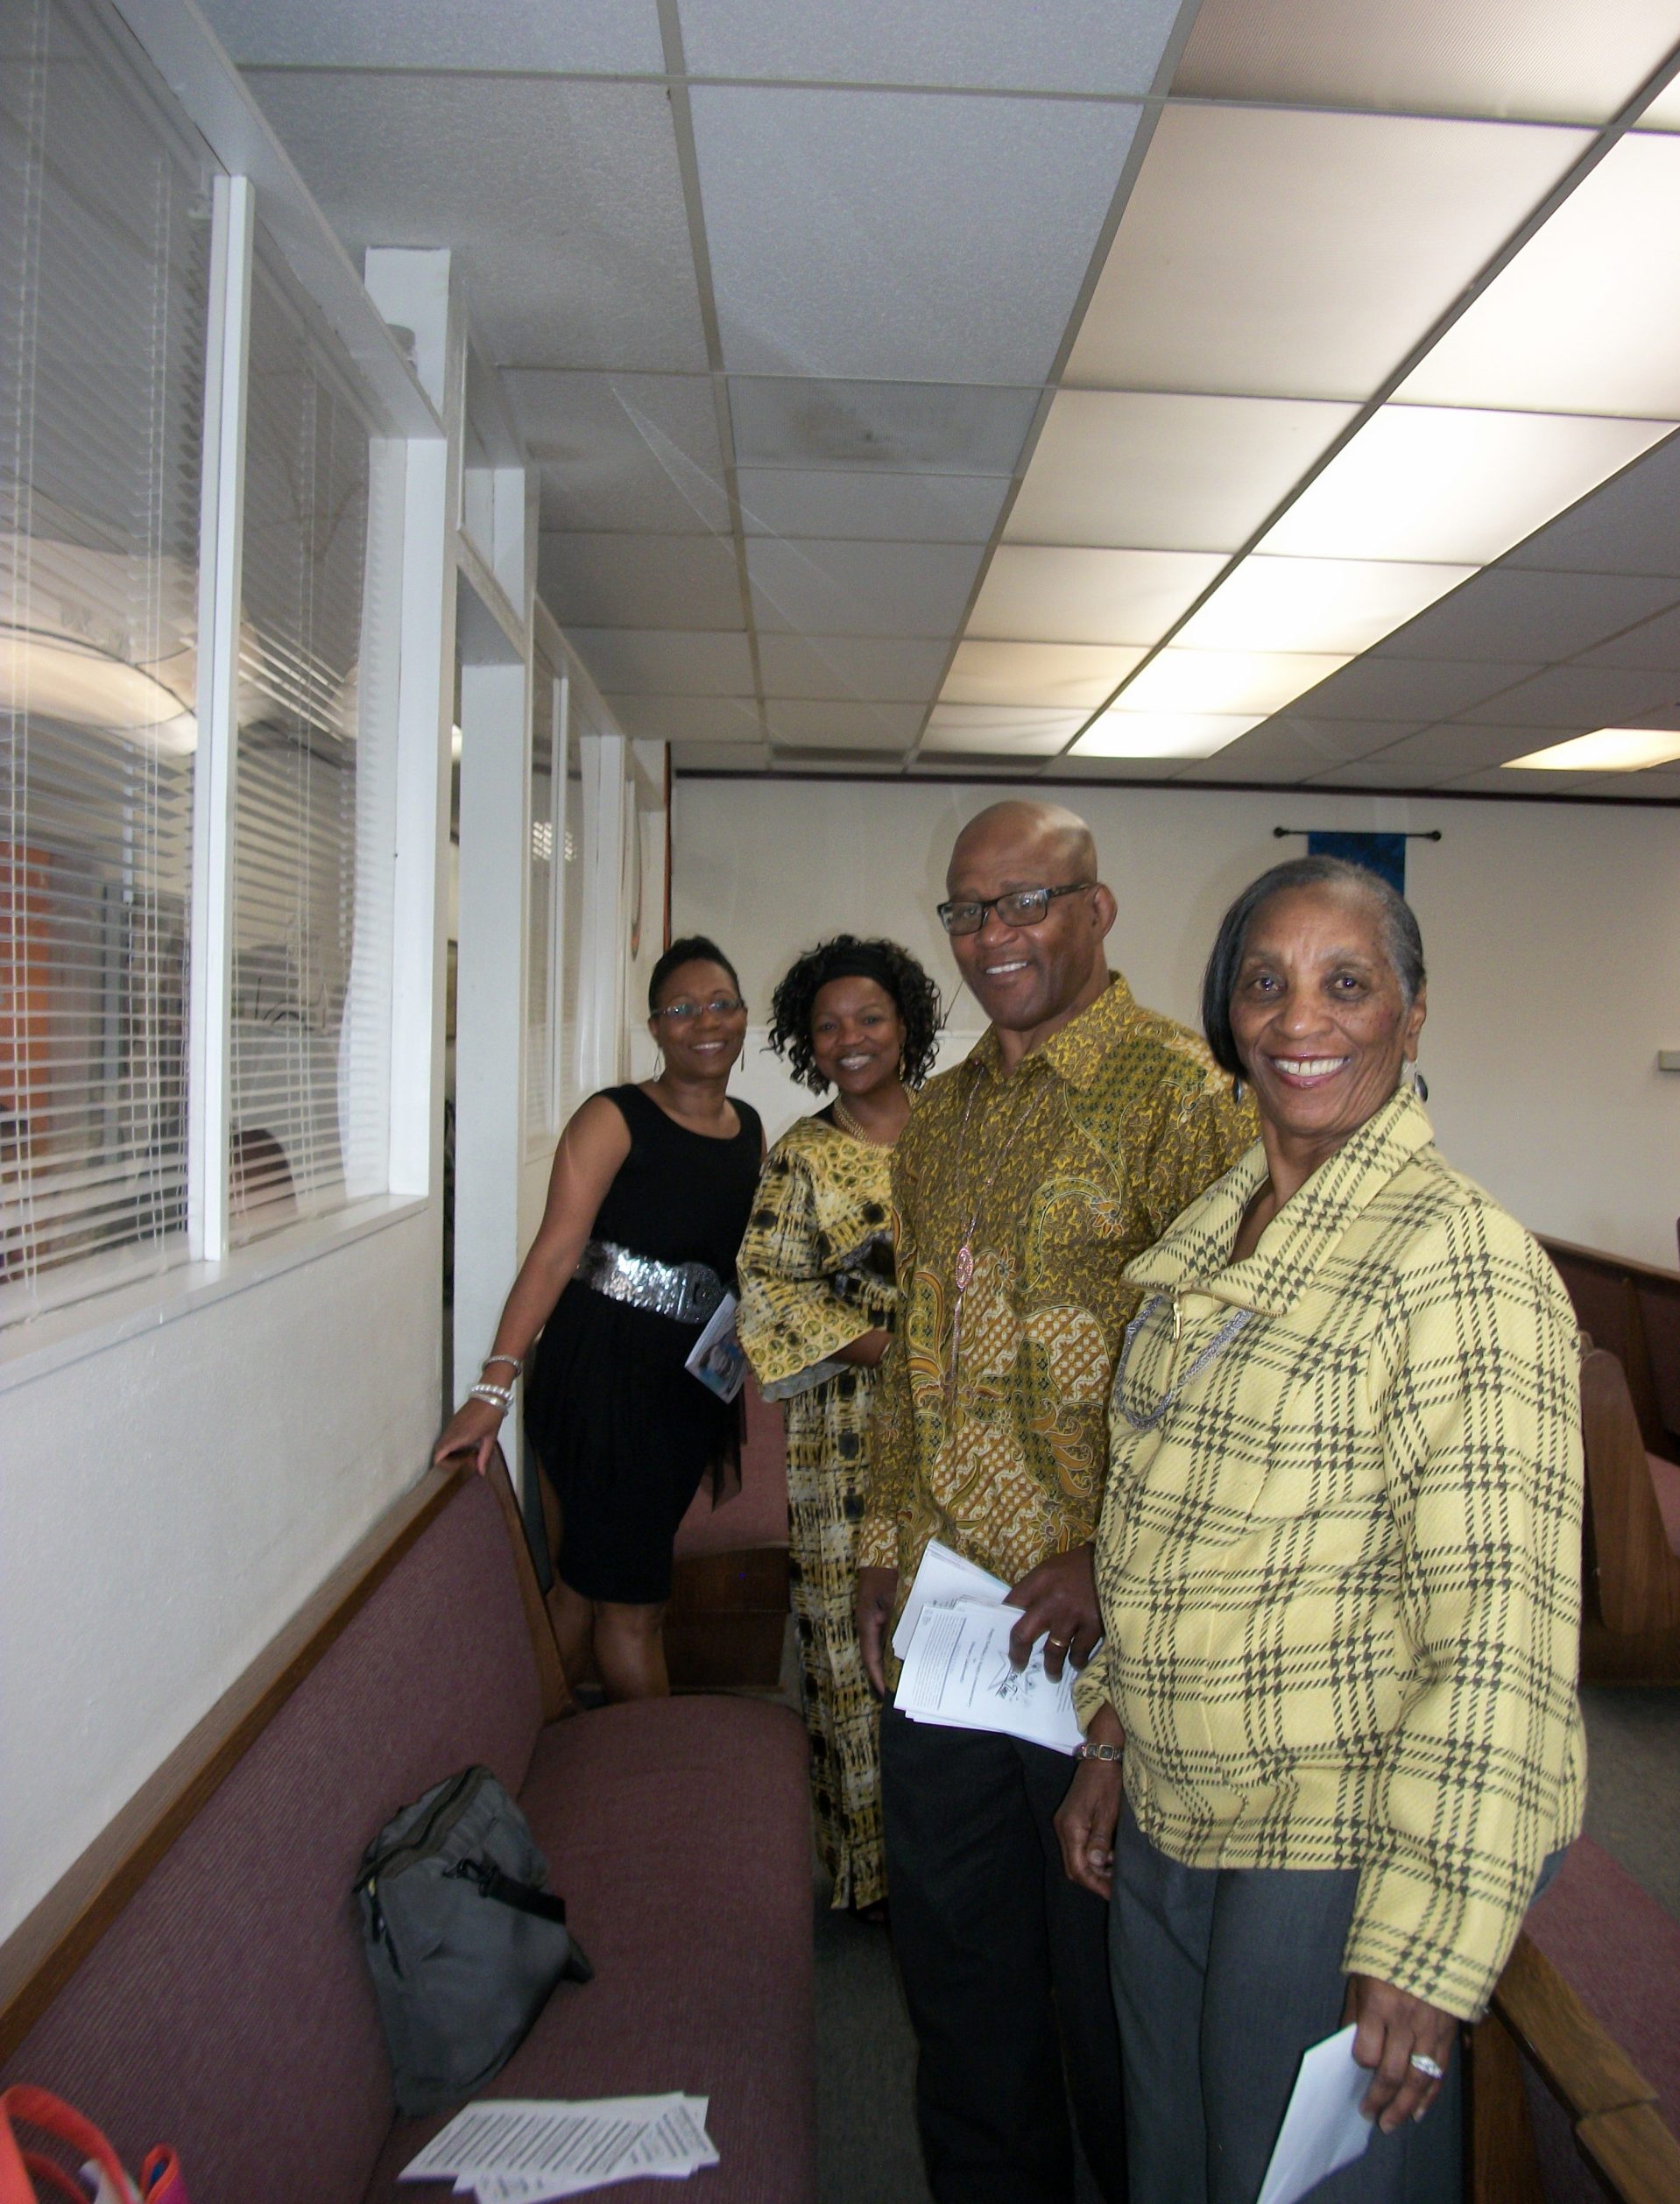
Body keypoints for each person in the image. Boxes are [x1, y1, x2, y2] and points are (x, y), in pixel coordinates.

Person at [1055, 856, 1585, 2204]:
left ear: (1412, 1014)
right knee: (1177, 2170)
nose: (1301, 1020)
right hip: (1177, 1809)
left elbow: (1502, 1633)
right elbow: (1167, 1535)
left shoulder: (1458, 1264)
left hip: (1335, 1841)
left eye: (1346, 984)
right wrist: (1114, 1726)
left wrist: (1425, 1938)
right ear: (1229, 1015)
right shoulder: (1213, 1243)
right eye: (1265, 983)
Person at [855, 800, 1255, 2204]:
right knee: (961, 1990)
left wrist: (1107, 1557)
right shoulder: (940, 1117)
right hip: (953, 1641)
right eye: (967, 909)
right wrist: (881, 1548)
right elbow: (914, 1358)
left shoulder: (1188, 1101)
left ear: (1097, 909)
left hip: (1103, 1658)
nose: (992, 936)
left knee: (1110, 2012)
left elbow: (1225, 1382)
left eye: (1026, 901)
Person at [433, 936, 764, 1702]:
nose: (705, 1022)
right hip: (603, 1379)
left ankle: (543, 1736)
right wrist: (493, 1388)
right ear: (655, 1028)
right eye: (682, 1009)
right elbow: (554, 1255)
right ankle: (659, 1765)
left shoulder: (747, 1128)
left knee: (584, 1587)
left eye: (721, 1004)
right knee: (633, 1608)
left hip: (688, 1387)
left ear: (744, 1016)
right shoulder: (614, 1118)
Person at [737, 936, 943, 1916]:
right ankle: (874, 1875)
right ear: (806, 1043)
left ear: (907, 1025)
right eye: (827, 1027)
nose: (850, 1039)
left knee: (952, 1623)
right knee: (846, 1644)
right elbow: (768, 1291)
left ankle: (961, 1859)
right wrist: (892, 1348)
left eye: (869, 1018)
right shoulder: (802, 1155)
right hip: (847, 1432)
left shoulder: (956, 1128)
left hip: (964, 1429)